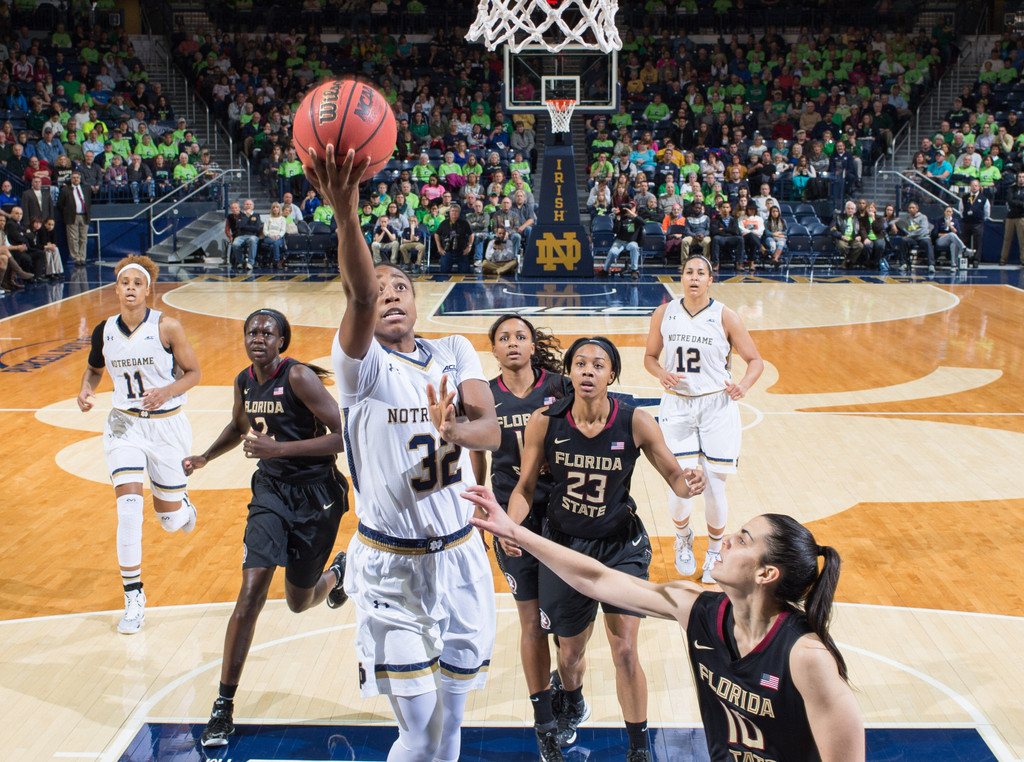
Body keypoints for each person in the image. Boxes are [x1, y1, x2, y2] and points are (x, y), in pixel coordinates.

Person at [307, 145, 499, 762]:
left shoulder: (455, 351)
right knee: (416, 733)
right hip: (392, 565)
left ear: (418, 302)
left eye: (402, 288)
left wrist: (456, 432)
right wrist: (347, 216)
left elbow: (490, 431)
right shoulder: (360, 367)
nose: (389, 295)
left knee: (452, 726)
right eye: (380, 288)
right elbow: (359, 296)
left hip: (461, 556)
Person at [466, 493, 865, 762]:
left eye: (743, 539)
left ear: (766, 573)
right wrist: (517, 532)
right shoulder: (699, 609)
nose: (725, 540)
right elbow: (599, 580)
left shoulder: (807, 657)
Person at [490, 335, 706, 761]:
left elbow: (674, 475)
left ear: (613, 375)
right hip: (565, 548)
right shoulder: (545, 420)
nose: (588, 371)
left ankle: (639, 748)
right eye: (581, 364)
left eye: (599, 365)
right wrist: (509, 526)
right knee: (570, 652)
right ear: (568, 373)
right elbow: (525, 487)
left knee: (624, 647)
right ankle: (572, 698)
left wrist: (689, 483)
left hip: (619, 546)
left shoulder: (636, 421)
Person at [184, 309, 350, 747]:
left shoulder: (298, 379)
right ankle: (223, 704)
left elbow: (344, 435)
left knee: (299, 602)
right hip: (271, 495)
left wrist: (281, 449)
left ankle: (336, 576)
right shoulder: (244, 380)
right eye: (251, 331)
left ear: (282, 341)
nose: (257, 337)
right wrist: (205, 456)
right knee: (251, 590)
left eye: (267, 332)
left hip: (317, 495)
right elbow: (239, 427)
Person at [76, 255, 201, 634]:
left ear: (148, 290)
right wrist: (85, 388)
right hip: (123, 426)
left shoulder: (168, 327)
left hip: (166, 429)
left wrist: (166, 391)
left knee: (168, 520)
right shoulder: (104, 331)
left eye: (137, 283)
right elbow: (95, 369)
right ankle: (134, 596)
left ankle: (182, 509)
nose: (130, 288)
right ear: (116, 289)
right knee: (128, 510)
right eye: (124, 282)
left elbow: (194, 373)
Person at [469, 315, 569, 761]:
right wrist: (480, 504)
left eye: (520, 337)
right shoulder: (485, 396)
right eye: (504, 338)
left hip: (564, 517)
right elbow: (475, 452)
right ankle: (544, 719)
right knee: (531, 622)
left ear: (532, 346)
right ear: (493, 349)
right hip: (512, 515)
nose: (513, 344)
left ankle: (571, 689)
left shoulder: (561, 386)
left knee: (565, 625)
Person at [644, 254, 764, 583]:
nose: (694, 277)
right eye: (688, 272)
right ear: (681, 278)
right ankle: (683, 538)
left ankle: (713, 551)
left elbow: (755, 361)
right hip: (677, 406)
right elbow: (649, 358)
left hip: (717, 406)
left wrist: (744, 385)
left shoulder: (726, 316)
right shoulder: (664, 313)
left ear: (710, 280)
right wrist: (660, 374)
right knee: (680, 483)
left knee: (714, 486)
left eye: (701, 273)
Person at [599, 201, 644, 279]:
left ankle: (634, 270)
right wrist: (618, 220)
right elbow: (615, 231)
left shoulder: (636, 219)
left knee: (634, 247)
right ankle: (605, 270)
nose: (628, 210)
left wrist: (633, 215)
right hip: (620, 241)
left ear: (635, 209)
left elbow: (643, 223)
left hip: (631, 242)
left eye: (631, 208)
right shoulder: (621, 218)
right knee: (612, 252)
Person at [57, 170, 90, 265]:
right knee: (73, 238)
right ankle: (76, 258)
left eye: (77, 178)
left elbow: (88, 202)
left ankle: (82, 257)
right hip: (72, 216)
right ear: (71, 179)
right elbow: (60, 204)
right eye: (74, 178)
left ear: (80, 179)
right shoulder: (65, 190)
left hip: (84, 216)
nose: (76, 179)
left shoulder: (85, 189)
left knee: (83, 238)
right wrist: (67, 211)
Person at [897, 201, 935, 274]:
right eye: (910, 208)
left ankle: (931, 265)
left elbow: (923, 230)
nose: (911, 209)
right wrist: (894, 224)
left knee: (928, 242)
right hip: (912, 239)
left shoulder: (923, 217)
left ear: (917, 209)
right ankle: (903, 264)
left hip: (922, 237)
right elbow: (896, 222)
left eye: (913, 208)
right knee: (904, 241)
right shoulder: (906, 218)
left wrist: (910, 235)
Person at [1000, 171, 1024, 267]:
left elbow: (1014, 202)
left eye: (1023, 177)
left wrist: (1016, 203)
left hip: (1022, 217)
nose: (1021, 179)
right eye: (1020, 177)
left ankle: (1023, 260)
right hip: (1010, 217)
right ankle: (1003, 259)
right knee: (1006, 239)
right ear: (1017, 178)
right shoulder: (1012, 188)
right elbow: (1010, 201)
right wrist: (1021, 204)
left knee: (1022, 240)